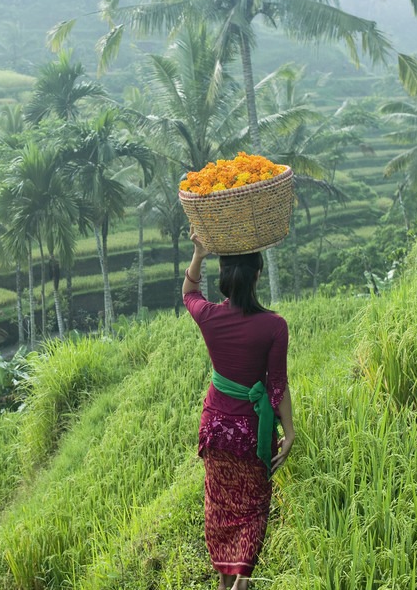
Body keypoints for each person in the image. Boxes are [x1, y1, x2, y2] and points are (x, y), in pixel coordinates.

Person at [182, 232, 294, 590]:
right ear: (258, 275)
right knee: (254, 506)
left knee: (220, 503)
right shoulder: (274, 326)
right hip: (250, 432)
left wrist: (198, 254)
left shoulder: (210, 317)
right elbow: (276, 385)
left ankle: (222, 577)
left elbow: (189, 293)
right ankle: (242, 576)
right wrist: (289, 433)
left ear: (225, 278)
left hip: (215, 427)